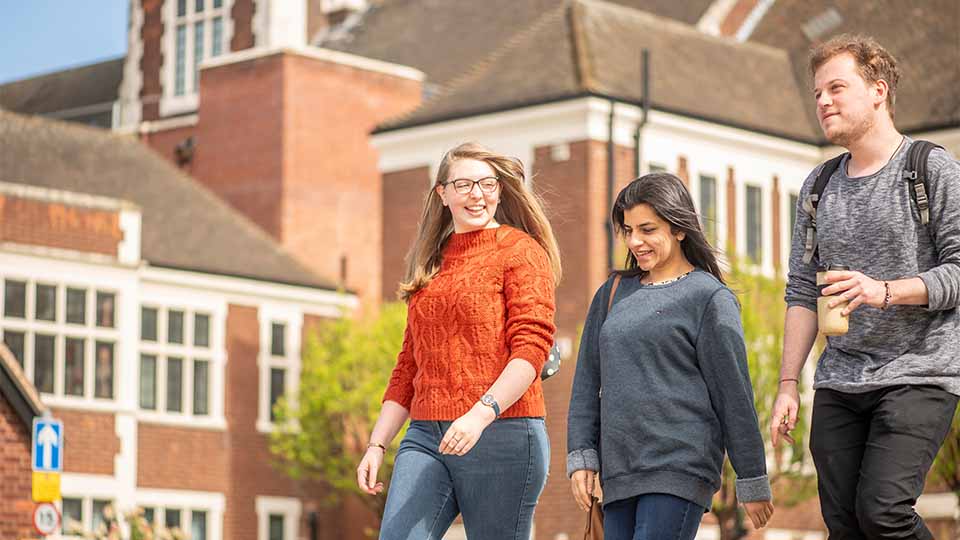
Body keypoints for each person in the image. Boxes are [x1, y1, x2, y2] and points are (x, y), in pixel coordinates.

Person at [771, 34, 960, 539]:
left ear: (878, 90)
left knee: (884, 513)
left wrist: (885, 291)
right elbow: (801, 291)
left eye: (837, 88)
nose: (824, 102)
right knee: (845, 526)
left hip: (918, 373)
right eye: (817, 94)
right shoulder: (818, 186)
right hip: (839, 381)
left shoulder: (930, 169)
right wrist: (788, 384)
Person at [356, 142, 561, 540]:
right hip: (426, 434)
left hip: (504, 431)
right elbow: (409, 363)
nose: (477, 194)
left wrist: (480, 414)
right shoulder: (431, 261)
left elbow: (531, 348)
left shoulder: (521, 251)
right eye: (464, 184)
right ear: (443, 193)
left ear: (500, 191)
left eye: (487, 184)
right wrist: (377, 444)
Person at [567, 173, 773, 540]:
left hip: (679, 468)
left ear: (679, 229)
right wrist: (581, 455)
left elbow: (733, 395)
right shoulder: (613, 293)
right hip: (619, 472)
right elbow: (586, 382)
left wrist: (752, 478)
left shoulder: (709, 299)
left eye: (648, 229)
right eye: (628, 230)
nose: (635, 241)